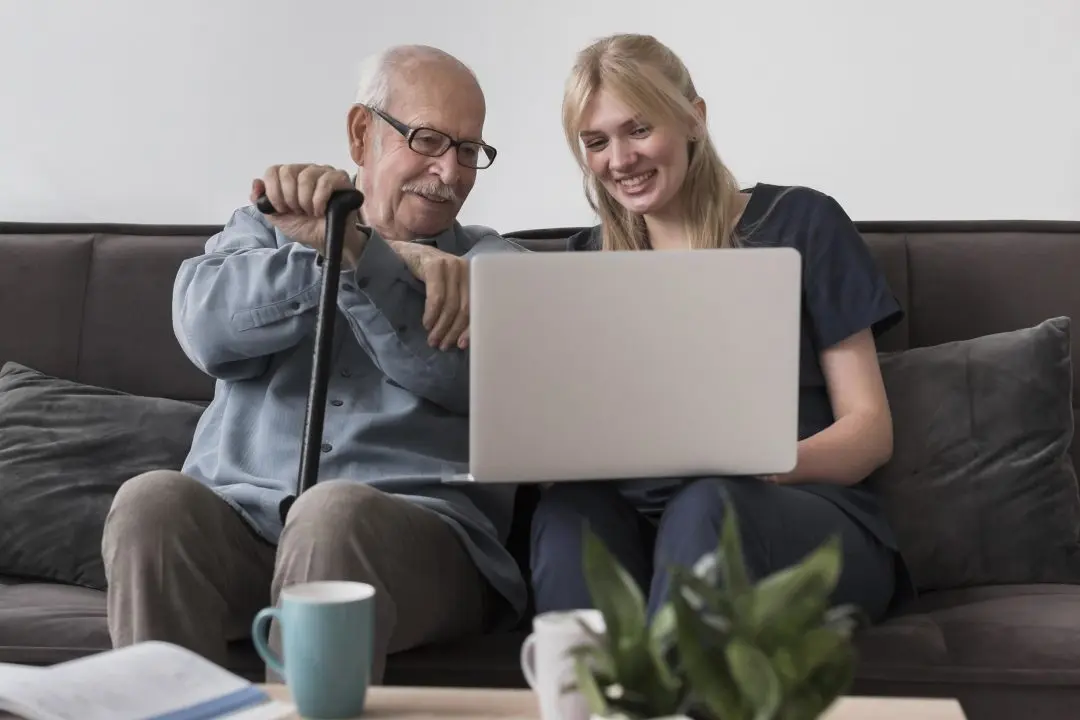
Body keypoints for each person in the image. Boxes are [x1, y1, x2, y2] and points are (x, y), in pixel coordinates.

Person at [101, 44, 528, 683]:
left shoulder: (493, 268)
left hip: (417, 548)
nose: (450, 172)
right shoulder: (267, 227)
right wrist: (343, 255)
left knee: (330, 514)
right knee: (150, 501)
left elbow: (454, 376)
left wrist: (361, 256)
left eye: (468, 150)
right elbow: (204, 331)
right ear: (363, 133)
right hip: (240, 530)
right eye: (430, 139)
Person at [530, 33, 913, 623]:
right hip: (647, 517)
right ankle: (589, 710)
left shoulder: (800, 223)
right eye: (597, 142)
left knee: (706, 504)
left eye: (638, 129)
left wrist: (769, 461)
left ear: (693, 120)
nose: (620, 159)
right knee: (565, 517)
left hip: (802, 513)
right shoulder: (586, 265)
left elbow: (869, 431)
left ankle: (668, 707)